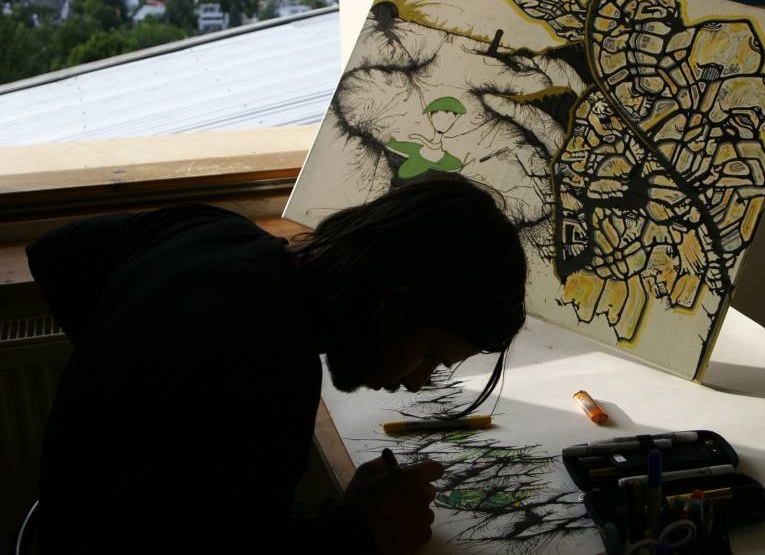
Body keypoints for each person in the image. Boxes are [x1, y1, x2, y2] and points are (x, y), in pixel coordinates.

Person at [27, 173, 528, 554]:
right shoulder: (266, 369)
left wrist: (120, 370)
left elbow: (57, 253)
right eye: (431, 356)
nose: (418, 383)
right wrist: (361, 534)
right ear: (393, 307)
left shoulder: (211, 230)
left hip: (59, 521)